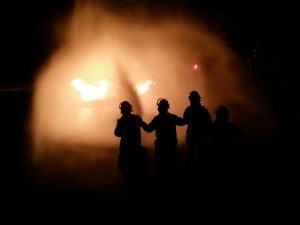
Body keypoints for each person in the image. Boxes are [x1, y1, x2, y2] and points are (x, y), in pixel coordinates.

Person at [143, 98, 186, 185]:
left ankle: (163, 185)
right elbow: (183, 122)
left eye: (159, 107)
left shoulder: (157, 119)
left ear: (160, 108)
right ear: (167, 107)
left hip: (161, 148)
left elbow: (148, 129)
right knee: (171, 167)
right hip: (171, 147)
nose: (158, 109)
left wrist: (140, 122)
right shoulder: (172, 117)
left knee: (162, 168)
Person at [114, 101, 149, 194]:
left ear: (122, 109)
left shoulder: (121, 121)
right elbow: (147, 128)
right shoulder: (136, 118)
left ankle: (128, 185)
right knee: (136, 167)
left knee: (124, 167)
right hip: (135, 148)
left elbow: (116, 133)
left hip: (127, 149)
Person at [183, 90, 212, 175]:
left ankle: (193, 172)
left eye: (191, 99)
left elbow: (184, 121)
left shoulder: (189, 110)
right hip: (200, 137)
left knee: (193, 157)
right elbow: (209, 123)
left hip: (195, 137)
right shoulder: (203, 110)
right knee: (200, 158)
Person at [210, 105, 245, 178]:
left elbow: (241, 136)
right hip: (225, 157)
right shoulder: (229, 127)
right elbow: (241, 136)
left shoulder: (213, 127)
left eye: (217, 115)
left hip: (219, 157)